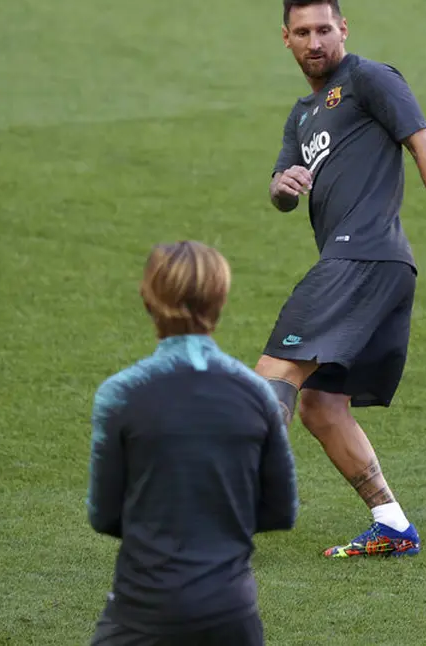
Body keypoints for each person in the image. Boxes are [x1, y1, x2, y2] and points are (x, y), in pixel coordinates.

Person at [257, 0, 426, 558]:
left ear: (343, 28)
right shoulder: (302, 116)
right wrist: (283, 186)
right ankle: (393, 525)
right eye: (302, 32)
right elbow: (283, 193)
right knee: (322, 407)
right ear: (285, 38)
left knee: (270, 382)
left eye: (324, 29)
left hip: (363, 256)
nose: (315, 42)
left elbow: (423, 145)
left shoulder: (370, 79)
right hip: (377, 268)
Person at [86, 241, 298, 646]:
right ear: (220, 299)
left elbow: (104, 515)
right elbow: (280, 510)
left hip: (143, 609)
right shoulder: (257, 395)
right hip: (230, 611)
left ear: (148, 298)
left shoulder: (121, 394)